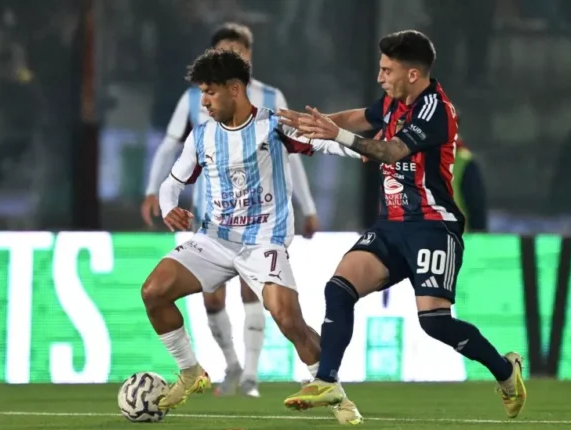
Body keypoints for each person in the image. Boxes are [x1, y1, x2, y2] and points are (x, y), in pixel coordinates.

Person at [279, 30, 526, 419]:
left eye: (387, 70)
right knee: (338, 288)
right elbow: (358, 117)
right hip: (391, 226)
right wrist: (312, 126)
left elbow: (391, 151)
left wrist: (336, 133)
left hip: (432, 227)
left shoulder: (436, 110)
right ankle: (327, 380)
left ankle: (505, 370)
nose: (380, 77)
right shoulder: (392, 103)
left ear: (413, 74)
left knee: (435, 323)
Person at [141, 48, 363, 424]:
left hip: (263, 240)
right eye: (202, 93)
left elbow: (325, 142)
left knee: (288, 318)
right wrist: (168, 208)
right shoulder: (202, 136)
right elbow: (171, 183)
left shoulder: (273, 125)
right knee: (154, 291)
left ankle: (335, 392)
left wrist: (365, 150)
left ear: (235, 89)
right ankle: (191, 372)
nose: (204, 102)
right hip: (214, 239)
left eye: (210, 92)